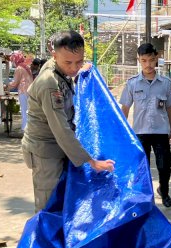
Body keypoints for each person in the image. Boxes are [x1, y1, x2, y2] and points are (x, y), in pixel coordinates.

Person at [22, 30, 115, 212]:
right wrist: (91, 161)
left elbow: (71, 70)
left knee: (62, 199)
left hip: (57, 147)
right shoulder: (49, 83)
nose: (73, 68)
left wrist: (81, 68)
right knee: (48, 205)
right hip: (45, 151)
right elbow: (61, 129)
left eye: (79, 61)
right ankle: (43, 240)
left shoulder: (57, 67)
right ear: (54, 55)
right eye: (68, 63)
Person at [120, 43, 171, 208]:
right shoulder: (132, 84)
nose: (148, 64)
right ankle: (143, 196)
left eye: (151, 60)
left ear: (156, 58)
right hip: (140, 132)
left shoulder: (165, 83)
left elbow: (170, 107)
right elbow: (125, 108)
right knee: (141, 168)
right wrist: (124, 132)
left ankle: (164, 191)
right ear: (139, 60)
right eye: (144, 61)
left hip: (161, 132)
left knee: (164, 166)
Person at [6, 51, 34, 131]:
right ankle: (28, 128)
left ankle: (25, 128)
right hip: (30, 90)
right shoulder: (26, 66)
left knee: (24, 110)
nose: (13, 62)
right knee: (28, 110)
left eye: (13, 60)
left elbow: (15, 83)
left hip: (23, 91)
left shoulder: (19, 68)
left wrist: (6, 87)